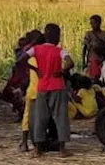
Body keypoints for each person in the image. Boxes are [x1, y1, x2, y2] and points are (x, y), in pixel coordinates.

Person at [28, 23, 75, 157]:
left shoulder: (36, 49)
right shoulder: (59, 50)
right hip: (57, 85)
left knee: (40, 118)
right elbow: (70, 62)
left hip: (42, 86)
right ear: (57, 37)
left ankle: (38, 149)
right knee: (60, 117)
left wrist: (36, 69)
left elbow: (21, 59)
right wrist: (63, 70)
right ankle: (62, 149)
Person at [16, 30, 43, 152]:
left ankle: (24, 142)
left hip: (32, 89)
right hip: (45, 89)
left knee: (27, 116)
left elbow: (20, 62)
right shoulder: (46, 56)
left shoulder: (31, 57)